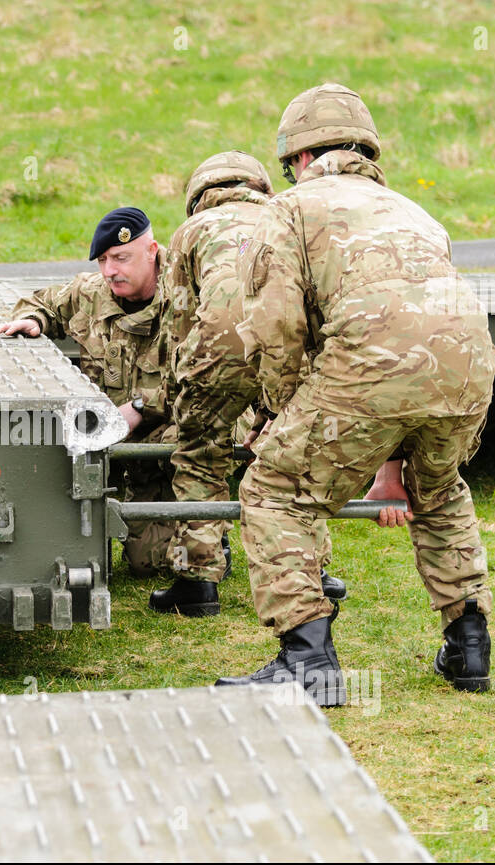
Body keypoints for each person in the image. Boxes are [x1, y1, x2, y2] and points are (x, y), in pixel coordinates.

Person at [219, 83, 495, 703]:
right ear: (366, 149)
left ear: (296, 159)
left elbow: (276, 324)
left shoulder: (291, 209)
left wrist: (276, 412)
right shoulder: (414, 210)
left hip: (371, 365)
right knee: (440, 488)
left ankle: (308, 660)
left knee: (275, 490)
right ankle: (468, 645)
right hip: (467, 369)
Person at [149, 150, 350, 617]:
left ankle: (197, 581)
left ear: (199, 194)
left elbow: (179, 319)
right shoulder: (288, 219)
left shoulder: (191, 233)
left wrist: (182, 388)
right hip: (287, 345)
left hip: (219, 349)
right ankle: (313, 571)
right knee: (294, 458)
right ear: (259, 186)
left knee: (201, 452)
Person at [0, 207, 175, 575]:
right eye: (103, 260)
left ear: (152, 251)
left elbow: (210, 376)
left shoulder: (189, 297)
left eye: (121, 258)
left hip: (169, 434)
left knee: (164, 560)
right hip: (112, 438)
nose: (109, 271)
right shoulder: (92, 293)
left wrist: (141, 406)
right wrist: (35, 320)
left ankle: (203, 531)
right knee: (144, 563)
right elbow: (41, 302)